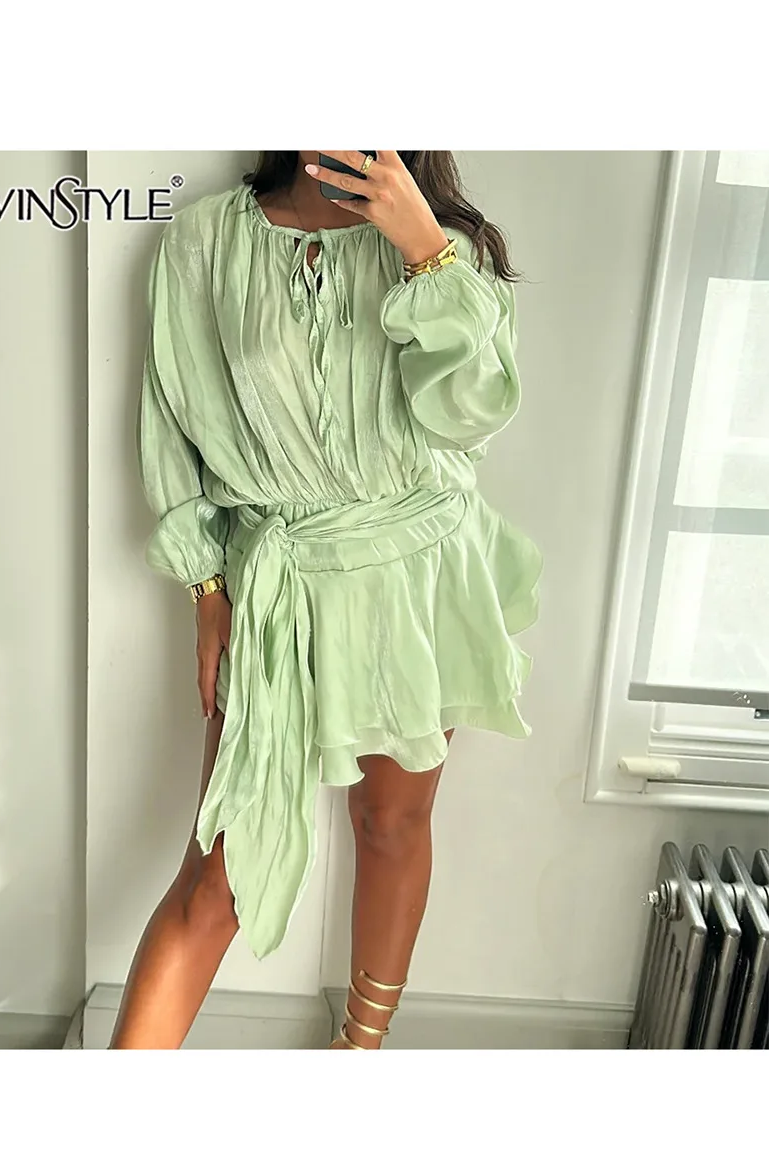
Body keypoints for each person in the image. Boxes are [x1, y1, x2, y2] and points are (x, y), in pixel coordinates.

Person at [110, 151, 542, 1049]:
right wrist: (206, 588)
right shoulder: (206, 240)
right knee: (218, 872)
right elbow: (173, 414)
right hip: (282, 584)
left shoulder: (444, 246)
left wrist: (423, 248)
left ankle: (358, 1051)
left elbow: (471, 416)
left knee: (391, 822)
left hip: (420, 571)